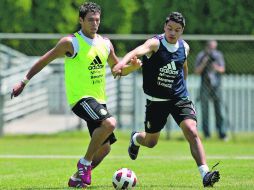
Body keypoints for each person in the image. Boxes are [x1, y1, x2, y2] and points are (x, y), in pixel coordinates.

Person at [11, 2, 139, 188]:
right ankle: (84, 163)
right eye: (90, 20)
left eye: (97, 20)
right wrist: (24, 81)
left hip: (99, 101)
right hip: (80, 99)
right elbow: (44, 60)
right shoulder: (70, 42)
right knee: (110, 123)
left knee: (104, 149)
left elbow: (117, 70)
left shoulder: (105, 44)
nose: (95, 23)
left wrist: (131, 68)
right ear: (81, 20)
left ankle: (76, 178)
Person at [113, 12, 220, 187]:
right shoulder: (155, 43)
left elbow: (183, 66)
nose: (172, 32)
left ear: (182, 31)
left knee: (191, 130)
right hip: (156, 101)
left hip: (179, 98)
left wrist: (182, 86)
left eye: (177, 30)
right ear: (164, 27)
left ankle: (205, 174)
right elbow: (136, 51)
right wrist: (120, 64)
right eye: (169, 28)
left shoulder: (184, 47)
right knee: (151, 142)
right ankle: (136, 139)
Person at [195, 40, 227, 140]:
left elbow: (223, 69)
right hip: (205, 86)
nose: (212, 50)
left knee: (219, 111)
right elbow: (196, 71)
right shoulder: (201, 55)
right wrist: (204, 62)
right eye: (211, 47)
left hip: (216, 86)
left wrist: (215, 67)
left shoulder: (218, 55)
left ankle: (222, 134)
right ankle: (207, 134)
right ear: (207, 46)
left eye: (214, 48)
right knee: (205, 111)